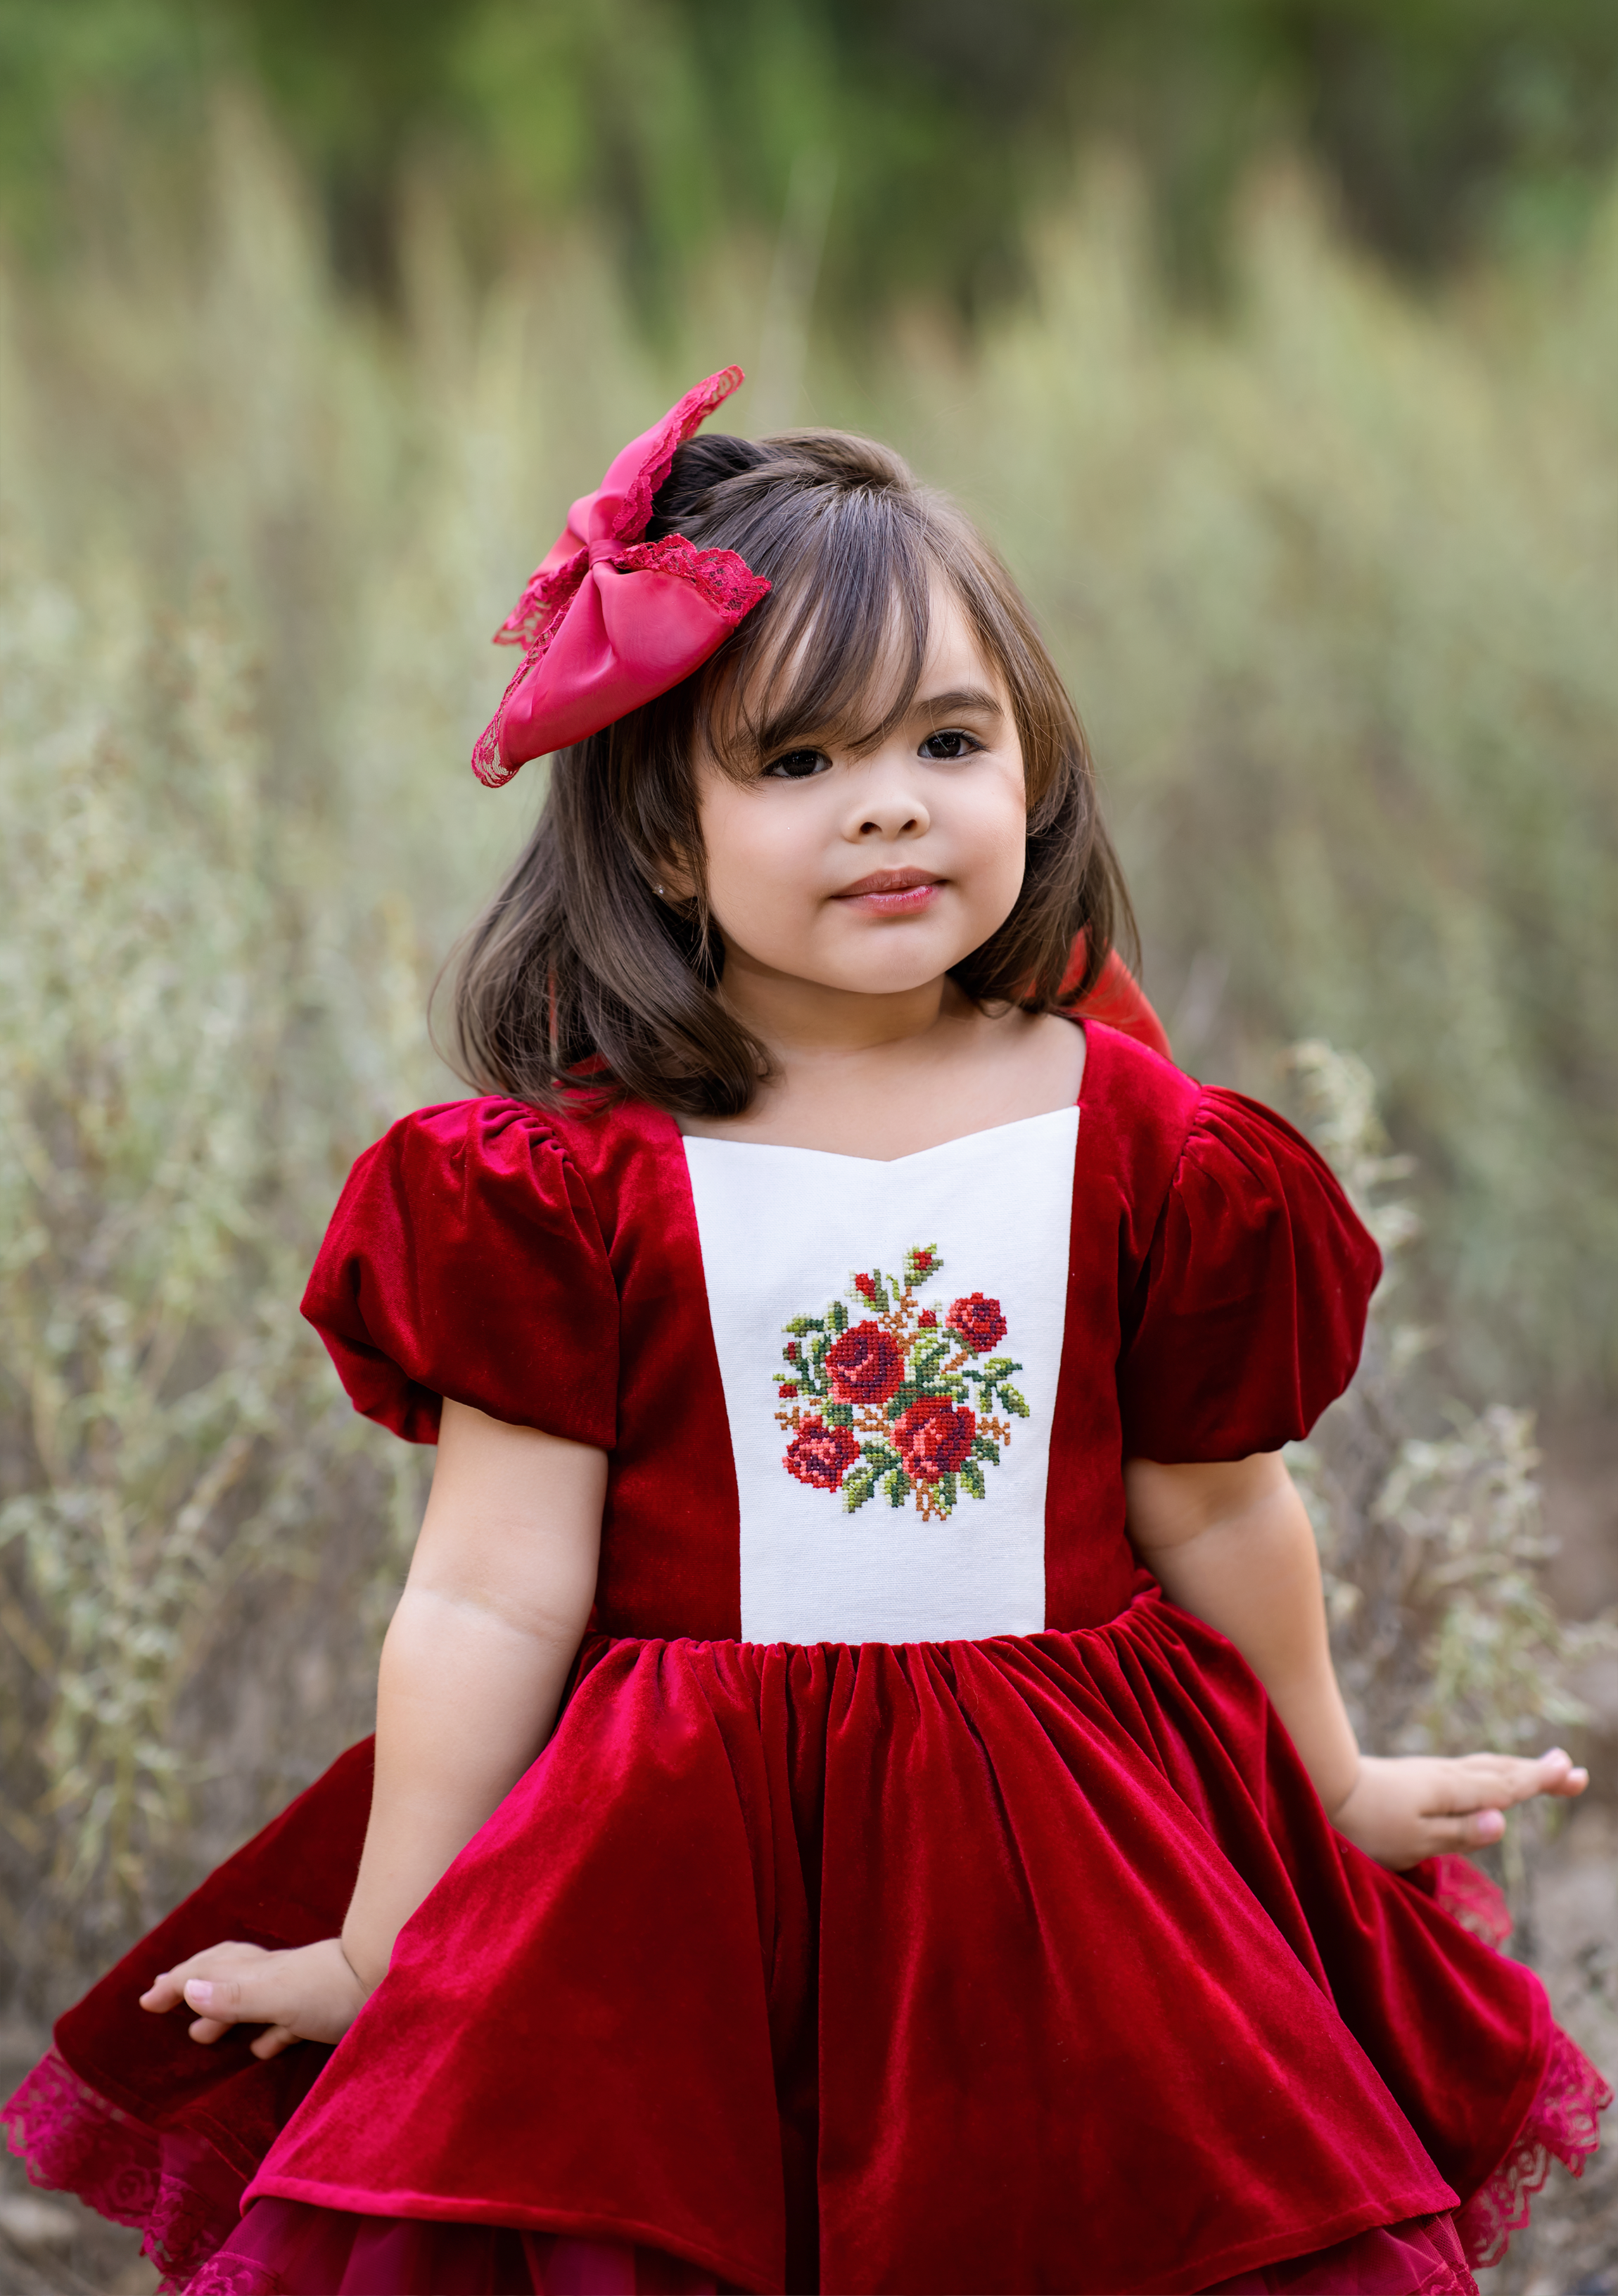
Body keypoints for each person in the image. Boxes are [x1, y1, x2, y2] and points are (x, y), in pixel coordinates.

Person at [4, 369, 1608, 2296]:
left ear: (1034, 771)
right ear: (667, 838)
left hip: (1076, 1861)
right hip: (675, 1874)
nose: (888, 808)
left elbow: (1216, 1507)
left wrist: (1330, 1780)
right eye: (794, 764)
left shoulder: (1143, 1141)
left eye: (948, 739)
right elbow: (494, 1595)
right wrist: (384, 1943)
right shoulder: (574, 1187)